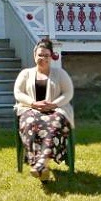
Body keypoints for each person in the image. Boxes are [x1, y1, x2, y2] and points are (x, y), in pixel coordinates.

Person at [13, 38, 74, 182]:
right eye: (40, 55)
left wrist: (53, 105)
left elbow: (68, 93)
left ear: (51, 57)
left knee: (55, 123)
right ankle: (42, 166)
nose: (43, 58)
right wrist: (33, 103)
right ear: (34, 56)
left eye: (46, 55)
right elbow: (18, 93)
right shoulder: (25, 74)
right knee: (30, 123)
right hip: (30, 109)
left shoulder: (60, 74)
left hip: (55, 110)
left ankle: (41, 164)